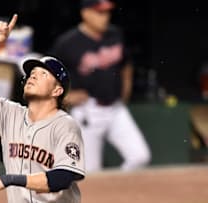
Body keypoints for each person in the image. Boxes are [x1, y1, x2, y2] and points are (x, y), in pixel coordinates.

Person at [0, 15, 85, 202]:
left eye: (43, 74)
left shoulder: (65, 125)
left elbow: (62, 178)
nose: (33, 76)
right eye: (31, 73)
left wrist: (9, 180)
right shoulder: (9, 113)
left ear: (57, 90)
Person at [50, 0, 151, 172]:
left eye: (107, 12)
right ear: (85, 13)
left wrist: (125, 88)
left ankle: (116, 193)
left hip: (115, 109)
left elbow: (126, 64)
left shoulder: (115, 34)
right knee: (90, 171)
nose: (105, 17)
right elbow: (46, 74)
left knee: (140, 157)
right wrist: (65, 96)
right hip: (88, 111)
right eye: (99, 12)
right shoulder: (68, 42)